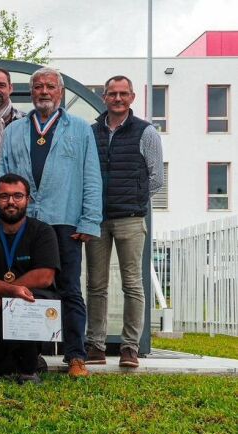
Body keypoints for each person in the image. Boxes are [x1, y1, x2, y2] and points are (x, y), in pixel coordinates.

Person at [0, 67, 103, 378]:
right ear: (30, 93)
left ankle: (76, 357)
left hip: (66, 221)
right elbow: (3, 175)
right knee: (22, 286)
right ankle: (28, 357)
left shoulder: (80, 129)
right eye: (38, 87)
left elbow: (92, 177)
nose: (43, 91)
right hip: (25, 223)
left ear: (61, 93)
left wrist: (89, 219)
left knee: (69, 288)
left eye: (50, 87)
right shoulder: (15, 130)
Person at [86, 75, 164, 368]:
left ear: (132, 97)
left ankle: (130, 347)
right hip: (97, 219)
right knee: (96, 285)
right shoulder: (92, 132)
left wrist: (135, 199)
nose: (117, 98)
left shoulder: (146, 132)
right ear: (104, 97)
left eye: (123, 94)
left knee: (132, 284)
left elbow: (156, 178)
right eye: (111, 93)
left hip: (131, 219)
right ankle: (95, 344)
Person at [0, 174, 60, 384]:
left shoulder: (43, 231)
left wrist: (5, 295)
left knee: (23, 303)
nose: (11, 202)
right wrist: (9, 293)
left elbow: (45, 276)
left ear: (28, 199)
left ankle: (28, 371)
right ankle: (25, 358)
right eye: (4, 196)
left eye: (17, 196)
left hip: (34, 309)